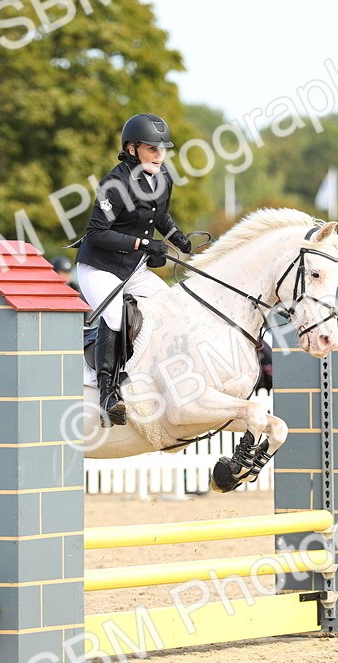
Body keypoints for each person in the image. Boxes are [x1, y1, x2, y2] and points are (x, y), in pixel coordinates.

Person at [75, 113, 193, 427]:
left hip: (132, 268)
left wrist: (175, 237)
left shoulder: (163, 177)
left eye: (162, 148)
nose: (159, 154)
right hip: (98, 267)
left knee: (170, 307)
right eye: (151, 148)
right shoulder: (115, 183)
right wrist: (143, 245)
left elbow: (160, 217)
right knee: (114, 316)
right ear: (132, 149)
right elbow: (97, 233)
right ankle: (107, 392)